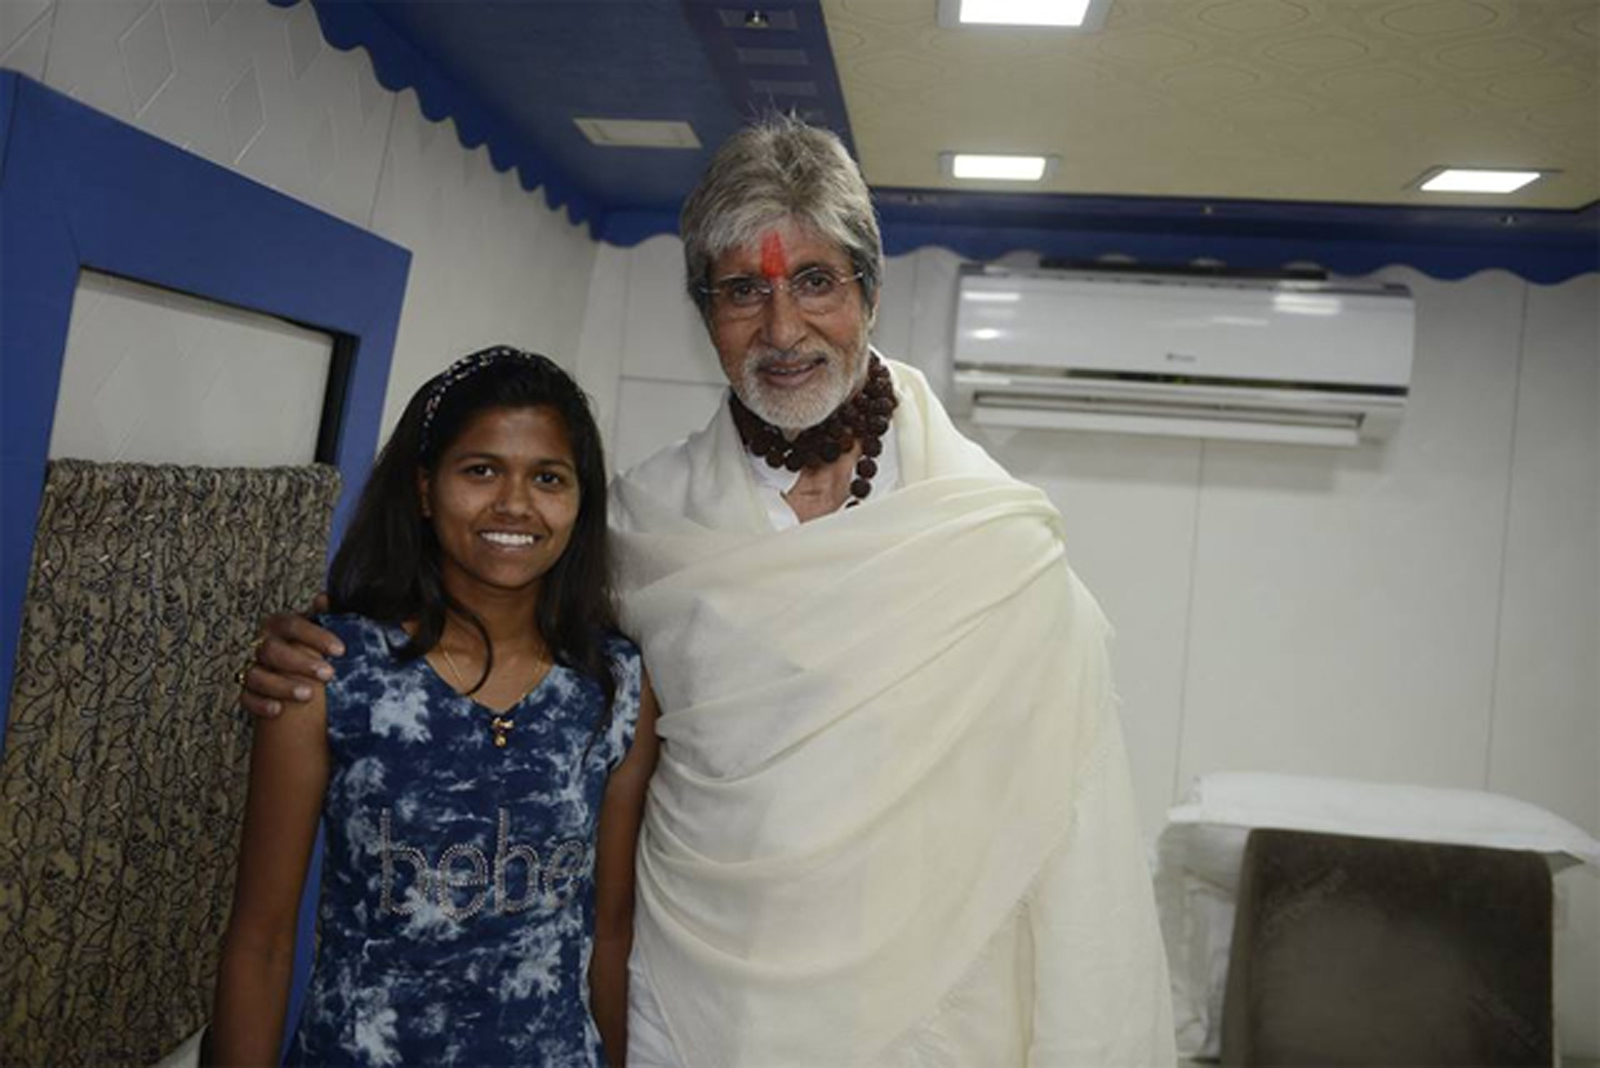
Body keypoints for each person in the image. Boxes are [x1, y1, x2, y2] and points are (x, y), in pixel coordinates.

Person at [243, 119, 1175, 1065]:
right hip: (700, 1009)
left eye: (815, 281)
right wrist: (321, 651)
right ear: (703, 312)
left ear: (870, 291)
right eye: (742, 291)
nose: (782, 329)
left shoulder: (992, 541)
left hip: (935, 1008)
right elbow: (500, 630)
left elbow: (1072, 825)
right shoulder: (642, 529)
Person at [211, 347, 659, 1067]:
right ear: (424, 489)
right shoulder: (328, 672)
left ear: (581, 503)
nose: (515, 504)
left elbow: (609, 930)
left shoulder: (615, 685)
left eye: (548, 477)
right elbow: (260, 941)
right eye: (481, 470)